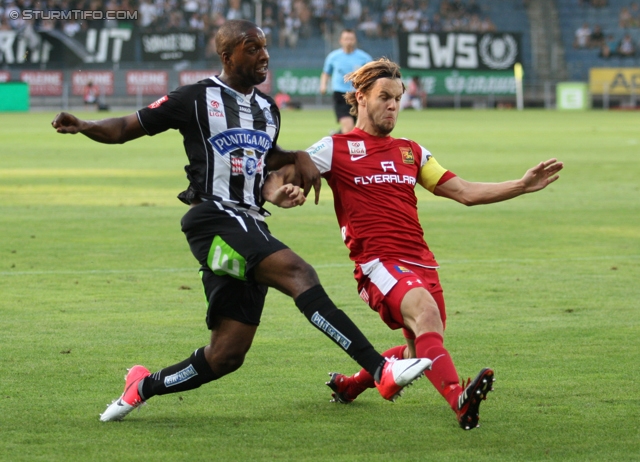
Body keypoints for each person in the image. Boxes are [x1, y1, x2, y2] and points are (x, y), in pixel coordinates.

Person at [51, 21, 431, 422]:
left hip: (249, 224)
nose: (263, 55)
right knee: (299, 273)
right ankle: (380, 369)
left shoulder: (268, 110)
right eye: (252, 48)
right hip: (212, 219)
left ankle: (142, 386)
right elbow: (128, 126)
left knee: (227, 355)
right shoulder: (196, 98)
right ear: (227, 56)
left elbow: (261, 167)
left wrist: (285, 176)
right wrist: (86, 126)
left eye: (265, 47)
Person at [264, 58, 563, 430]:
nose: (393, 105)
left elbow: (464, 191)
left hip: (422, 263)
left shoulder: (412, 152)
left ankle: (349, 385)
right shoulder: (334, 148)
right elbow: (277, 176)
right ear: (360, 97)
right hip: (378, 264)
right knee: (425, 314)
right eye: (384, 97)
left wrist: (520, 185)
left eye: (398, 99)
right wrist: (278, 193)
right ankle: (460, 399)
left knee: (419, 350)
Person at [319, 29, 372, 134]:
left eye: (351, 39)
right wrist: (323, 85)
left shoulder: (364, 57)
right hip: (340, 94)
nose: (349, 41)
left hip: (358, 95)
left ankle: (335, 136)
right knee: (348, 126)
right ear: (341, 41)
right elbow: (326, 73)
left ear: (355, 40)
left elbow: (372, 75)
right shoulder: (333, 57)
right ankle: (342, 146)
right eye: (346, 39)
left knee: (359, 128)